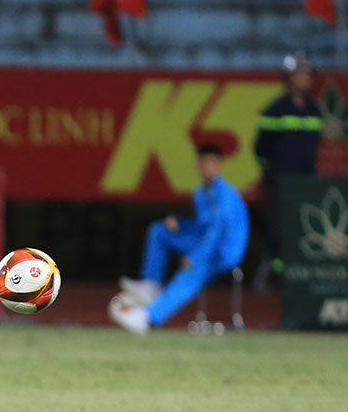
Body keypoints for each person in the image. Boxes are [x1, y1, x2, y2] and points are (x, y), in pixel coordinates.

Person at [112, 144, 249, 334]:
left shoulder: (226, 195)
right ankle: (151, 285)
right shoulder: (200, 193)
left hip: (224, 251)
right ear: (197, 166)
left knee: (192, 271)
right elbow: (202, 226)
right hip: (203, 243)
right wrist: (181, 224)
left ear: (219, 166)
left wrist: (195, 257)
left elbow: (217, 233)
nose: (207, 168)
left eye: (211, 163)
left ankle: (148, 317)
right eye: (203, 163)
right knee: (159, 231)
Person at [252, 52, 323, 288]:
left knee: (306, 227)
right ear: (288, 78)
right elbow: (261, 149)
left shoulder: (314, 109)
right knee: (279, 229)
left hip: (306, 182)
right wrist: (272, 173)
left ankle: (302, 275)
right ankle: (275, 275)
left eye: (307, 75)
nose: (304, 80)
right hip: (281, 181)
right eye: (298, 75)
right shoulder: (276, 108)